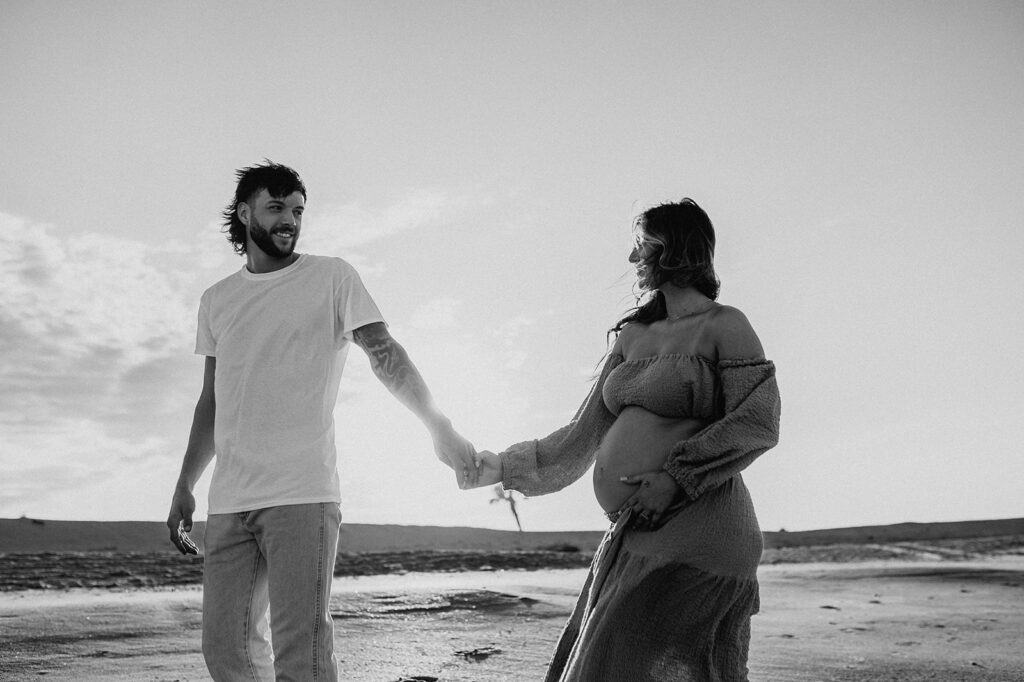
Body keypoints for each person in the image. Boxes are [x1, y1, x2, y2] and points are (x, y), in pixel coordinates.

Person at [165, 161, 478, 682]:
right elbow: (211, 401)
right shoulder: (216, 300)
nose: (290, 220)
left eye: (297, 211)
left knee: (302, 657)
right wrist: (185, 482)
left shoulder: (331, 277)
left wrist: (438, 427)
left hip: (301, 495)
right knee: (225, 650)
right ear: (245, 214)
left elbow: (384, 353)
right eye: (276, 208)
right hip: (230, 499)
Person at [472, 198, 780, 681]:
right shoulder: (634, 336)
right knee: (609, 665)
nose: (633, 259)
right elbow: (583, 434)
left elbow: (757, 421)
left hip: (702, 526)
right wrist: (502, 468)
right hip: (635, 529)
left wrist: (677, 478)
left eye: (642, 246)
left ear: (675, 248)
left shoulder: (726, 325)